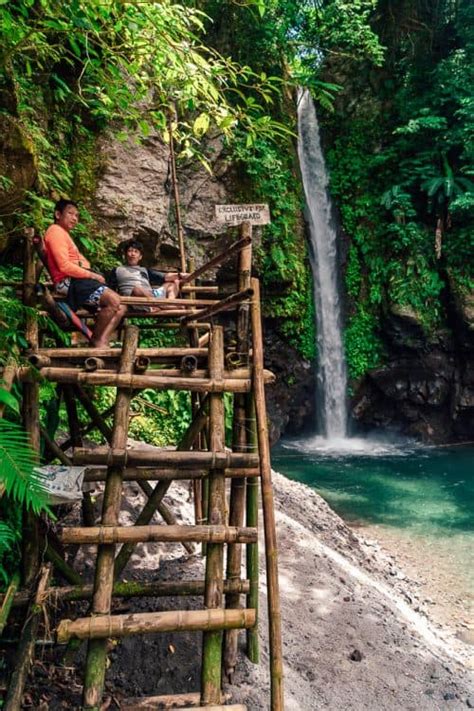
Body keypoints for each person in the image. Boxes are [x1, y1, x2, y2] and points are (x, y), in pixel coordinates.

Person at [43, 199, 127, 348]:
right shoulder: (55, 232)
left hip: (78, 280)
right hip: (68, 281)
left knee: (121, 307)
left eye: (77, 215)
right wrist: (92, 275)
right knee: (113, 301)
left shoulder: (64, 234)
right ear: (57, 214)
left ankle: (101, 340)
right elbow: (64, 266)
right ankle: (95, 340)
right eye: (70, 214)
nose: (75, 218)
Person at [108, 239, 187, 305]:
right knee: (137, 289)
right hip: (133, 299)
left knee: (174, 282)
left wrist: (180, 275)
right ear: (125, 254)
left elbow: (165, 277)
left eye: (136, 252)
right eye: (130, 251)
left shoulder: (145, 270)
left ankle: (169, 304)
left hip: (151, 297)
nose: (133, 254)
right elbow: (111, 289)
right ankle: (162, 305)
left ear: (140, 257)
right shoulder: (117, 270)